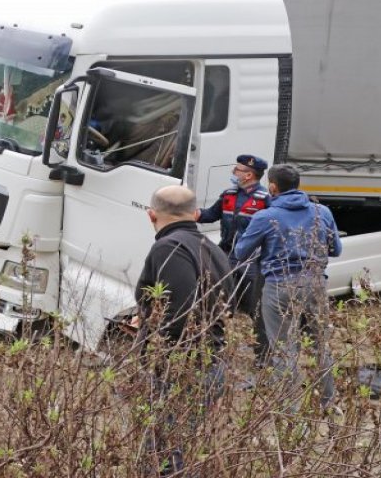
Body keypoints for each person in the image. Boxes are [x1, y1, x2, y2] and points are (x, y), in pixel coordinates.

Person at [135, 185, 234, 475]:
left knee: (163, 455)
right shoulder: (212, 249)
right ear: (195, 214)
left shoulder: (169, 247)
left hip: (182, 368)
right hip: (210, 362)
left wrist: (159, 359)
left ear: (151, 215)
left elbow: (179, 313)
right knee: (180, 449)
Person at [233, 164, 340, 410]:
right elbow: (336, 249)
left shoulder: (265, 217)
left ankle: (289, 410)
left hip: (279, 286)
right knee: (320, 344)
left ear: (272, 187)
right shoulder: (322, 212)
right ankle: (328, 402)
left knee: (283, 347)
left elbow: (240, 252)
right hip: (315, 284)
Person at [197, 154, 271, 364]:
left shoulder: (265, 199)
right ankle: (215, 353)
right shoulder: (228, 195)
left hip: (251, 262)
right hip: (226, 258)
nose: (233, 172)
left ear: (248, 175)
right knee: (218, 305)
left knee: (255, 309)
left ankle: (263, 358)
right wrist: (191, 213)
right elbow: (210, 215)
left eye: (237, 170)